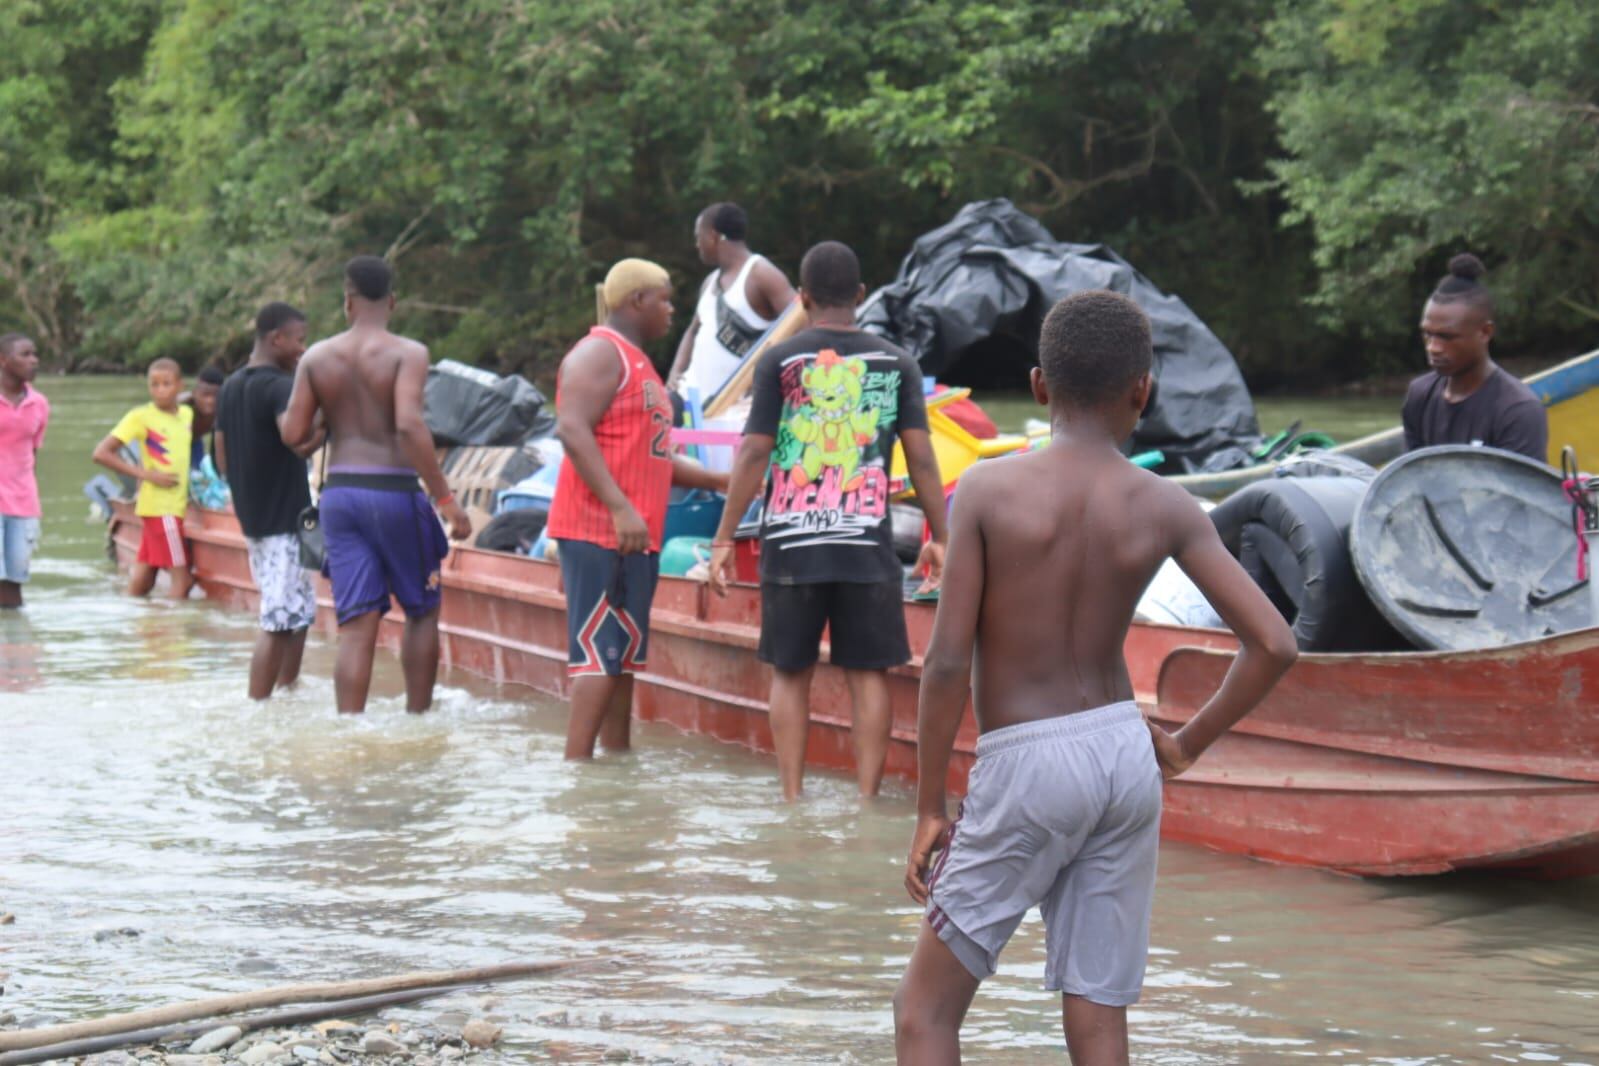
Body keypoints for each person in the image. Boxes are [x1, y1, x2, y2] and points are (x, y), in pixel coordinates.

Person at [892, 291, 1299, 1065]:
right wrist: (1183, 746)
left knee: (923, 1011)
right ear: (1141, 390)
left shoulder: (985, 490)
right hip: (1123, 756)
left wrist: (927, 806)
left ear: (1039, 385)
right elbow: (1273, 644)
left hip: (1026, 762)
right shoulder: (1167, 504)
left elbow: (945, 662)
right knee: (1098, 1016)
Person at [706, 241, 948, 801]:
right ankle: (866, 802)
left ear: (805, 298)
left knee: (790, 673)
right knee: (869, 676)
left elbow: (752, 454)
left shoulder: (780, 361)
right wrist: (945, 538)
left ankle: (792, 800)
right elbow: (924, 460)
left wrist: (723, 538)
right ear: (861, 296)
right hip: (867, 548)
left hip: (791, 547)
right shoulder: (897, 364)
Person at [549, 258, 729, 760]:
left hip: (636, 535)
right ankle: (578, 776)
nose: (672, 310)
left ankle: (617, 768)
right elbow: (570, 427)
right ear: (637, 301)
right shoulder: (599, 353)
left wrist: (718, 479)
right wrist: (620, 507)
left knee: (622, 658)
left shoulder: (640, 364)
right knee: (597, 655)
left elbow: (653, 453)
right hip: (598, 531)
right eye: (666, 299)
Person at [280, 255, 473, 714]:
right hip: (394, 493)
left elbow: (292, 435)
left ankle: (350, 729)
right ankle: (419, 720)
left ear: (346, 302)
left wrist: (330, 419)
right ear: (392, 301)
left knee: (357, 623)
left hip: (340, 497)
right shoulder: (408, 353)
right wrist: (446, 500)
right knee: (422, 610)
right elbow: (409, 425)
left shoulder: (317, 357)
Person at [215, 302, 320, 700]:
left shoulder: (231, 385)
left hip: (264, 518)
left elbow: (221, 454)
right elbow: (297, 440)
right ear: (276, 339)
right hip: (289, 519)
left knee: (302, 610)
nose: (302, 349)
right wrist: (325, 426)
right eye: (298, 340)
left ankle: (289, 692)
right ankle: (260, 706)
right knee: (278, 618)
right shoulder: (278, 386)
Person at [1402, 253, 1547, 463]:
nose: (1433, 347)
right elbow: (1408, 479)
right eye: (1427, 334)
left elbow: (1521, 493)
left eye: (1446, 337)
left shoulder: (1518, 410)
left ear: (1485, 332)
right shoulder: (1419, 395)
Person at [665, 202, 795, 402]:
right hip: (692, 402)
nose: (697, 244)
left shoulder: (761, 274)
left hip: (735, 407)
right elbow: (692, 331)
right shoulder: (709, 282)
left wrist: (767, 376)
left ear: (714, 237)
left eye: (698, 237)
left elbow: (799, 321)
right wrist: (675, 372)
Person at [92, 358, 196, 599]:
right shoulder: (140, 417)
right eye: (154, 385)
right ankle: (172, 633)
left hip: (172, 506)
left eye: (167, 384)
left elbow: (184, 406)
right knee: (183, 580)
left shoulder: (187, 415)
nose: (160, 390)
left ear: (180, 385)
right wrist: (146, 475)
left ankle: (139, 625)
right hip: (162, 509)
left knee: (144, 577)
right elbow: (101, 453)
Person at [0, 332, 49, 609]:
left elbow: (32, 455)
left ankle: (17, 645)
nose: (34, 361)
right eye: (25, 355)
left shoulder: (39, 404)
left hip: (23, 503)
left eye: (35, 354)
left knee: (15, 585)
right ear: (3, 360)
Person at [185, 365, 226, 472]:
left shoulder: (223, 409)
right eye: (205, 395)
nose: (210, 401)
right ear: (194, 393)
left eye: (215, 396)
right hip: (166, 441)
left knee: (200, 474)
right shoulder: (182, 406)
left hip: (195, 441)